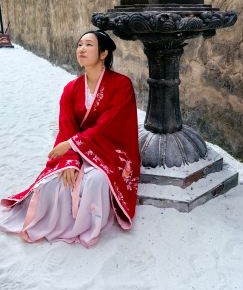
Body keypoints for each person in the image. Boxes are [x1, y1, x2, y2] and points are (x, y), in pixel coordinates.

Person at [0, 30, 141, 248]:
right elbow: (66, 127)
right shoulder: (70, 89)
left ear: (103, 53)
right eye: (79, 45)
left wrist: (72, 144)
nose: (82, 49)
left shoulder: (121, 85)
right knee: (54, 184)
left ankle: (87, 226)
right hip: (77, 147)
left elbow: (107, 125)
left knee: (95, 181)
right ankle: (57, 223)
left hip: (111, 147)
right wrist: (70, 160)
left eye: (89, 45)